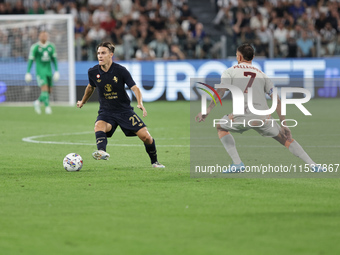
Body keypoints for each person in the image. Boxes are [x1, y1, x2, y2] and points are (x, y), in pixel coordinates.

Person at [195, 43, 325, 173]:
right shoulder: (262, 75)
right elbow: (277, 100)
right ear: (253, 57)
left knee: (220, 126)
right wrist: (284, 124)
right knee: (286, 139)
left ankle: (237, 163)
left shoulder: (230, 71)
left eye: (236, 55)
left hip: (242, 116)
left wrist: (208, 109)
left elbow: (221, 91)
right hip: (263, 117)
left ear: (239, 57)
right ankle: (313, 165)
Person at [77, 41, 165, 168]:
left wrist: (140, 103)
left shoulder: (120, 71)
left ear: (111, 55)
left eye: (103, 53)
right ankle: (101, 151)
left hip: (124, 111)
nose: (100, 56)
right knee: (98, 126)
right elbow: (90, 87)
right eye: (98, 53)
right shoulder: (92, 72)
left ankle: (155, 162)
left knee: (146, 137)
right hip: (106, 111)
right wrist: (82, 101)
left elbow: (135, 88)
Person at [25, 31, 59, 114]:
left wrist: (56, 71)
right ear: (39, 36)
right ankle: (47, 107)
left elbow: (54, 59)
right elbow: (31, 60)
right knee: (44, 89)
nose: (44, 37)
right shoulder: (35, 47)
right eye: (42, 35)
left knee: (49, 91)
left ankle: (37, 102)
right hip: (40, 71)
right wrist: (28, 72)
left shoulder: (51, 46)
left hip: (49, 71)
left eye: (45, 35)